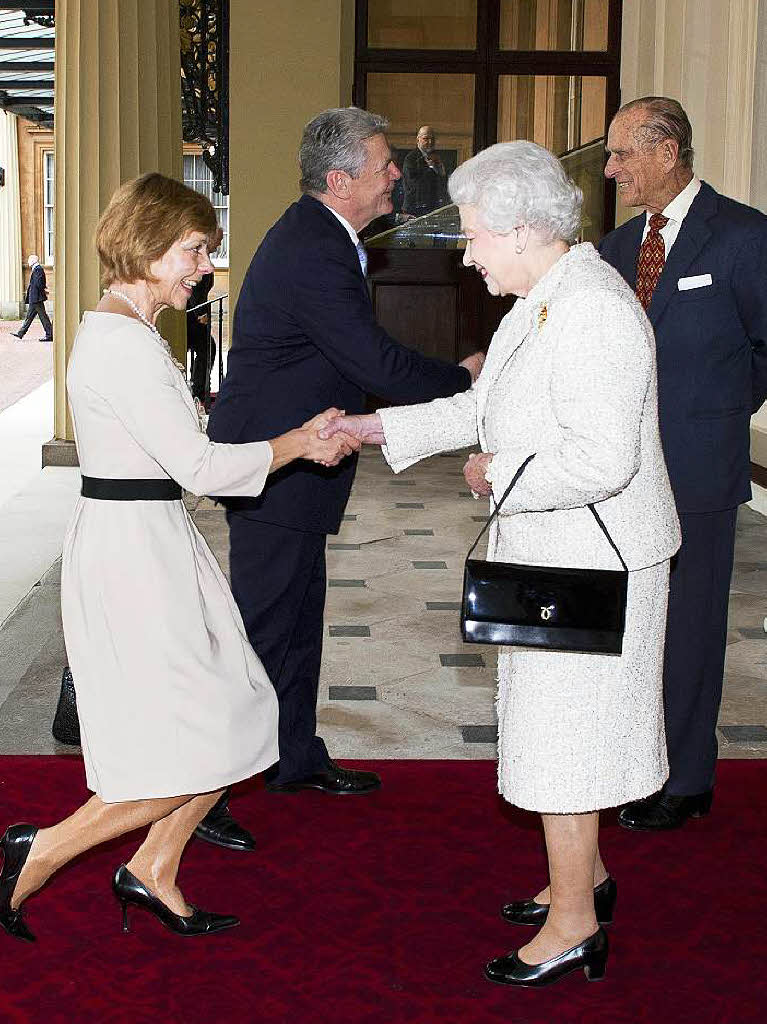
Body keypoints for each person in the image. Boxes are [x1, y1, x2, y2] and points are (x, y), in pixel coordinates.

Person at [321, 141, 681, 987]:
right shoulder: (544, 299)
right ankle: (581, 877)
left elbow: (601, 459)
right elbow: (487, 406)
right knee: (557, 728)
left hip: (594, 561)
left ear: (523, 229)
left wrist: (495, 471)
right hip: (558, 554)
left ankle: (572, 925)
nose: (469, 252)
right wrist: (380, 430)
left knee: (565, 740)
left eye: (476, 235)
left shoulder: (591, 309)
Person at [0, 173, 357, 943]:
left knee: (246, 711)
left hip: (153, 537)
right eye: (194, 250)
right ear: (149, 246)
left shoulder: (129, 331)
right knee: (181, 741)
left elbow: (171, 449)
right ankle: (44, 849)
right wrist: (300, 441)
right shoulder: (123, 342)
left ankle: (153, 867)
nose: (204, 266)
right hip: (134, 553)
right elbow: (201, 469)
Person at [206, 106, 482, 824]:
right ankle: (205, 793)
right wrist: (464, 380)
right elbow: (371, 361)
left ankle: (289, 757)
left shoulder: (326, 236)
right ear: (339, 179)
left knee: (298, 620)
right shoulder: (312, 246)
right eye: (384, 163)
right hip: (274, 461)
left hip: (303, 460)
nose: (396, 173)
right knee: (264, 628)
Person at [600, 97, 767, 831]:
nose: (610, 171)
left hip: (698, 468)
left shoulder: (742, 236)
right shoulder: (611, 249)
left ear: (666, 152)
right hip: (618, 471)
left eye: (620, 154)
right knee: (631, 625)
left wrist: (716, 414)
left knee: (691, 624)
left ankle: (685, 778)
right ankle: (630, 760)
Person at [186, 226, 222, 402]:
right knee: (208, 348)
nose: (221, 243)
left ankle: (199, 388)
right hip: (191, 316)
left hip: (196, 314)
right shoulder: (198, 258)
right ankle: (198, 391)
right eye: (219, 239)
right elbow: (195, 289)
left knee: (208, 348)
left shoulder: (205, 258)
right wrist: (200, 312)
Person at [401, 125, 450, 218]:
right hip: (415, 209)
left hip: (433, 208)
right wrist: (431, 168)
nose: (430, 142)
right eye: (426, 139)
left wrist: (439, 168)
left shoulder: (438, 157)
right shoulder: (411, 158)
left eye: (432, 139)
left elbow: (444, 180)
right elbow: (413, 184)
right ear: (417, 140)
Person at [11, 255, 53, 342]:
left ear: (34, 260)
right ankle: (21, 333)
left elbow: (39, 283)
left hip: (36, 298)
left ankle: (50, 334)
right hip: (35, 298)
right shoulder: (36, 269)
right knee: (30, 317)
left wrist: (42, 290)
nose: (28, 261)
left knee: (42, 317)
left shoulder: (38, 269)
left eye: (29, 260)